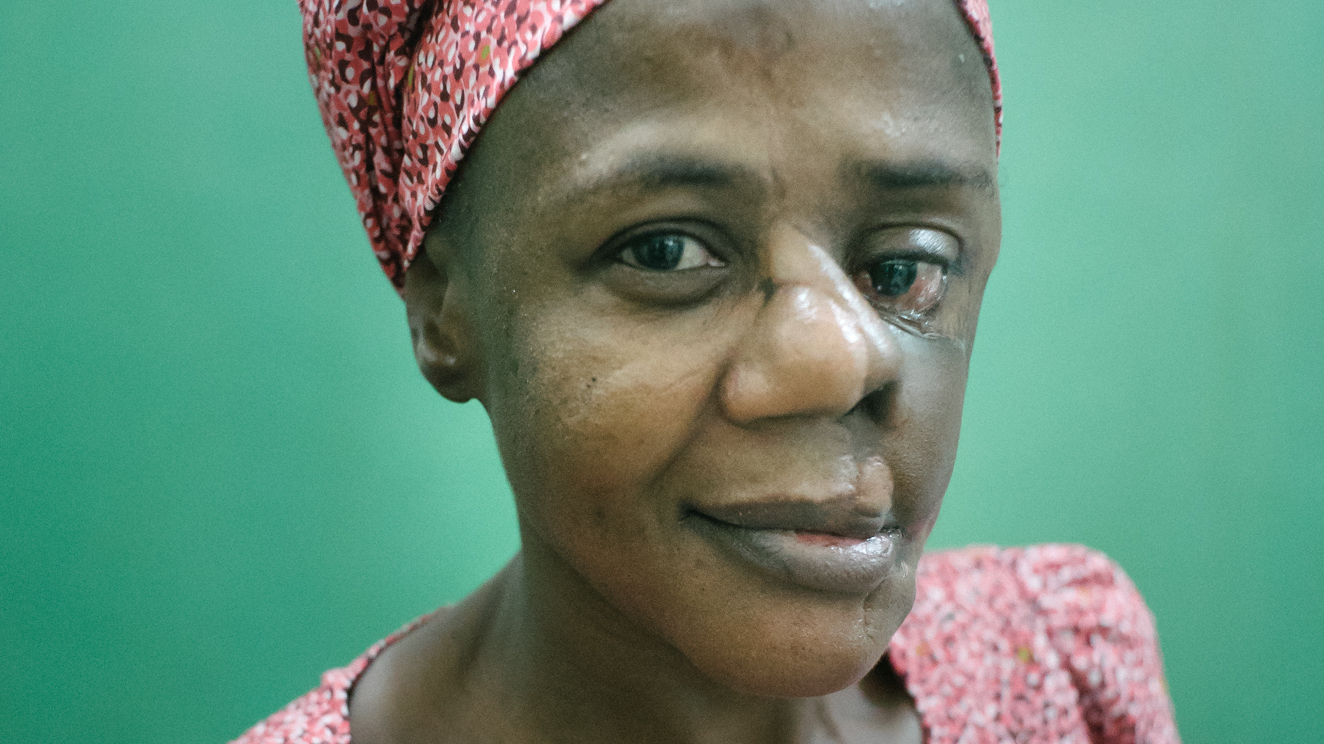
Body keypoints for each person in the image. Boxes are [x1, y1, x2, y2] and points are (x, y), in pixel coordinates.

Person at [235, 0, 1180, 741]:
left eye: (904, 269)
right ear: (445, 309)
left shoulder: (1051, 679)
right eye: (666, 252)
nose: (842, 356)